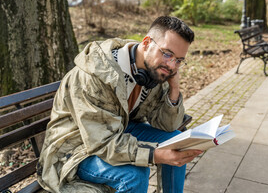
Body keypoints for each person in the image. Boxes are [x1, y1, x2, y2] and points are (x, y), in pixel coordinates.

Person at [36, 16, 201, 193]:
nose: (172, 65)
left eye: (179, 60)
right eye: (167, 54)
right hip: (77, 149)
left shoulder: (155, 72)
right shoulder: (94, 75)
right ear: (146, 43)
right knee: (135, 175)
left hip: (117, 130)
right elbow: (102, 142)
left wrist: (174, 88)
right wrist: (154, 154)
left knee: (177, 142)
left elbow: (168, 126)